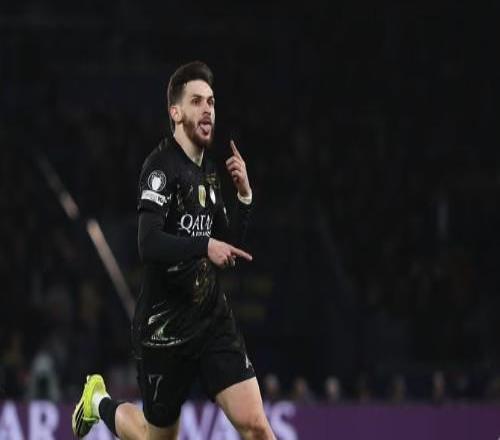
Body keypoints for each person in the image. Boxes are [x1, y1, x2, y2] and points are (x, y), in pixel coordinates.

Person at [72, 61, 275, 439]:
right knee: (156, 437)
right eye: (197, 101)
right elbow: (148, 244)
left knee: (257, 427)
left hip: (212, 321)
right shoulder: (160, 168)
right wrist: (204, 245)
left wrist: (244, 196)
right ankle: (98, 401)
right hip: (164, 330)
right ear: (176, 113)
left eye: (211, 102)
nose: (208, 110)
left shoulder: (209, 171)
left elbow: (227, 243)